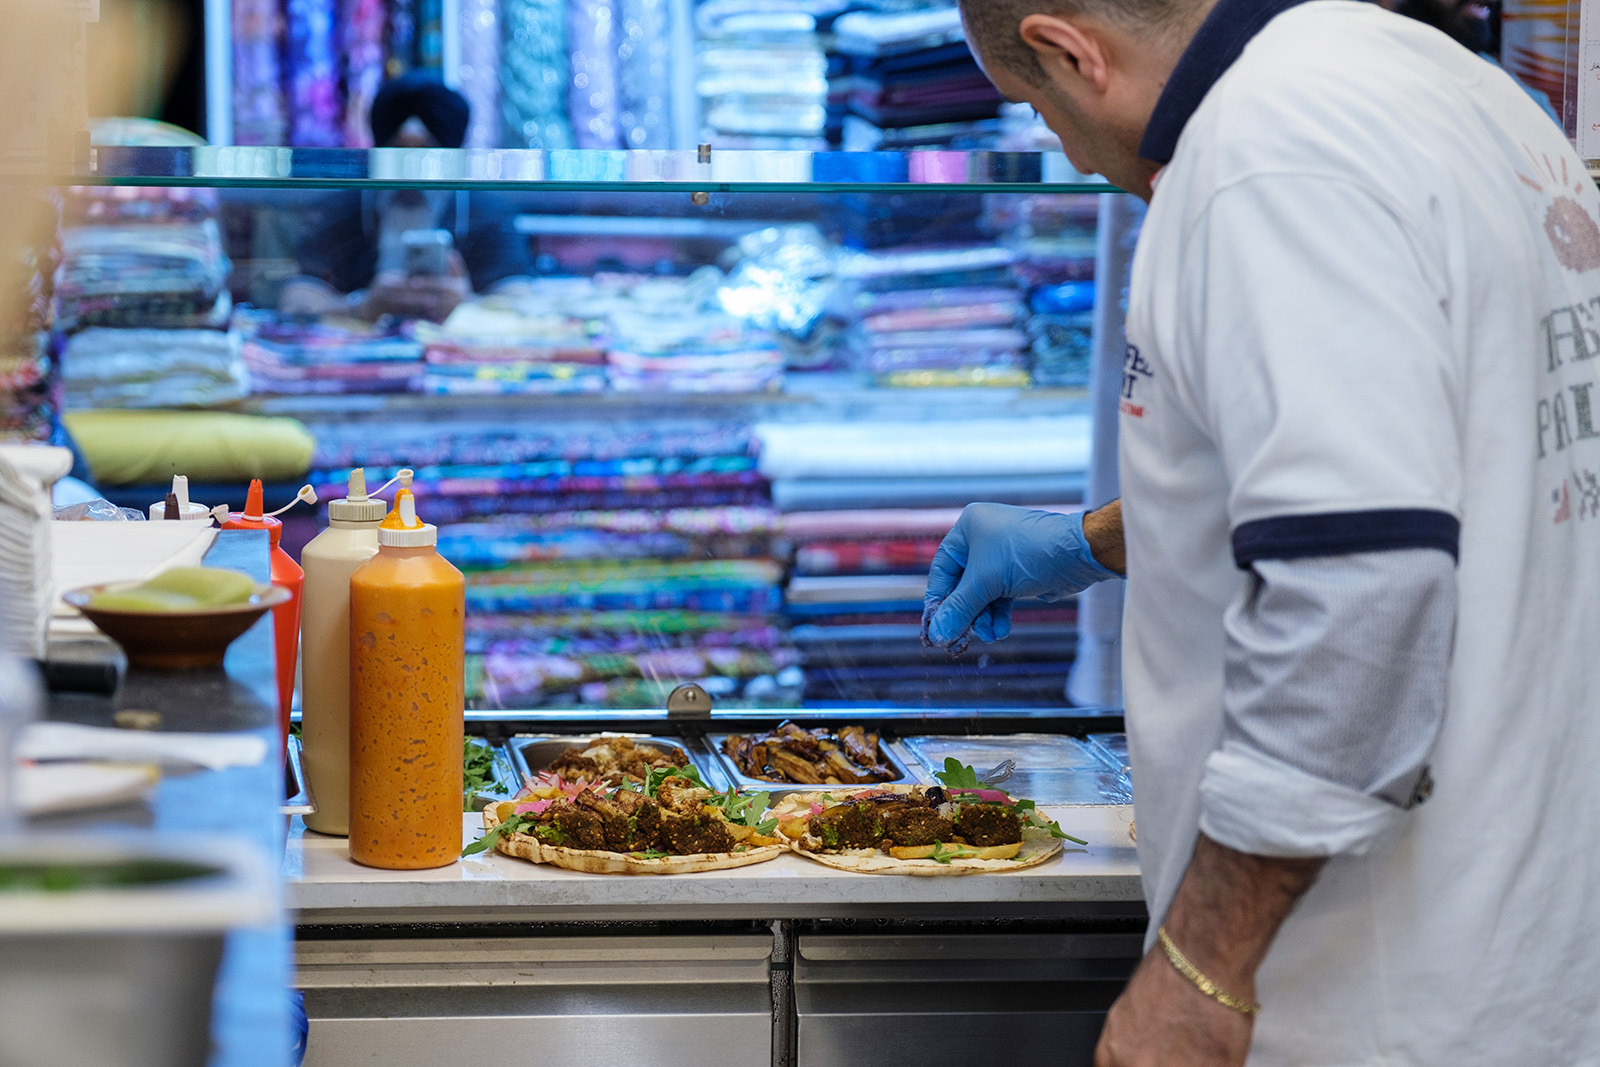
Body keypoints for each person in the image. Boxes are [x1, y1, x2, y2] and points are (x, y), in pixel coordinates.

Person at [923, 0, 1600, 1064]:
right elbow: (1416, 457)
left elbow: (1361, 595)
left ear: (1068, 50)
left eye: (1039, 110)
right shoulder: (1449, 84)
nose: (1067, 150)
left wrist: (1201, 968)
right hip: (1505, 959)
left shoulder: (1265, 154)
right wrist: (1099, 536)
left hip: (1357, 992)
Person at [282, 73, 532, 323]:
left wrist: (464, 305)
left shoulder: (485, 212)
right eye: (399, 150)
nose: (412, 166)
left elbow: (521, 304)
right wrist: (363, 306)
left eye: (427, 151)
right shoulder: (344, 207)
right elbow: (296, 301)